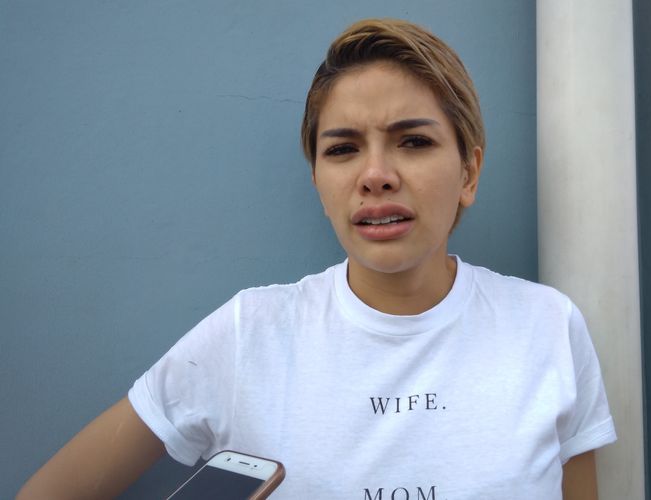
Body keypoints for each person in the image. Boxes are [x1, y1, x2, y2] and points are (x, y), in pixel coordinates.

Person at [18, 18, 616, 499]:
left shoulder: (546, 328)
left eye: (413, 141)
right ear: (317, 179)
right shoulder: (249, 333)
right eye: (343, 148)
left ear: (469, 172)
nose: (376, 174)